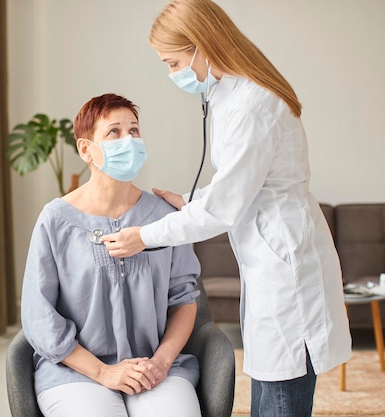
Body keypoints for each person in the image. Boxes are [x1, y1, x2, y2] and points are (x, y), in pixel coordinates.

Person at [100, 1, 352, 416]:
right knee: (273, 381)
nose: (172, 74)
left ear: (201, 45)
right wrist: (191, 201)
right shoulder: (229, 93)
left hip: (284, 261)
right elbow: (242, 184)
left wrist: (142, 237)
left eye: (173, 62)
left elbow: (226, 209)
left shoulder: (251, 104)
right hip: (272, 252)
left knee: (280, 392)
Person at [21, 93, 203, 417]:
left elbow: (184, 301)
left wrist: (160, 363)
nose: (128, 139)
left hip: (154, 368)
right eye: (114, 132)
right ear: (86, 150)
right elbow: (39, 317)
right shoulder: (55, 220)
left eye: (134, 130)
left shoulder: (165, 217)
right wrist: (104, 372)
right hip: (76, 372)